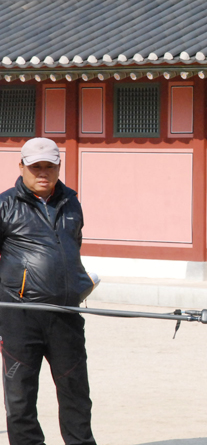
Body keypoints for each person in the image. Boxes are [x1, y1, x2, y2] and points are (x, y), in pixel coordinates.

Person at [0, 137, 97, 445]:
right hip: (20, 318)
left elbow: (72, 246)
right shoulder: (4, 205)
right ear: (21, 167)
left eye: (49, 166)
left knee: (76, 393)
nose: (43, 173)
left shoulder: (71, 203)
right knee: (20, 399)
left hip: (65, 314)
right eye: (36, 167)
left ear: (58, 167)